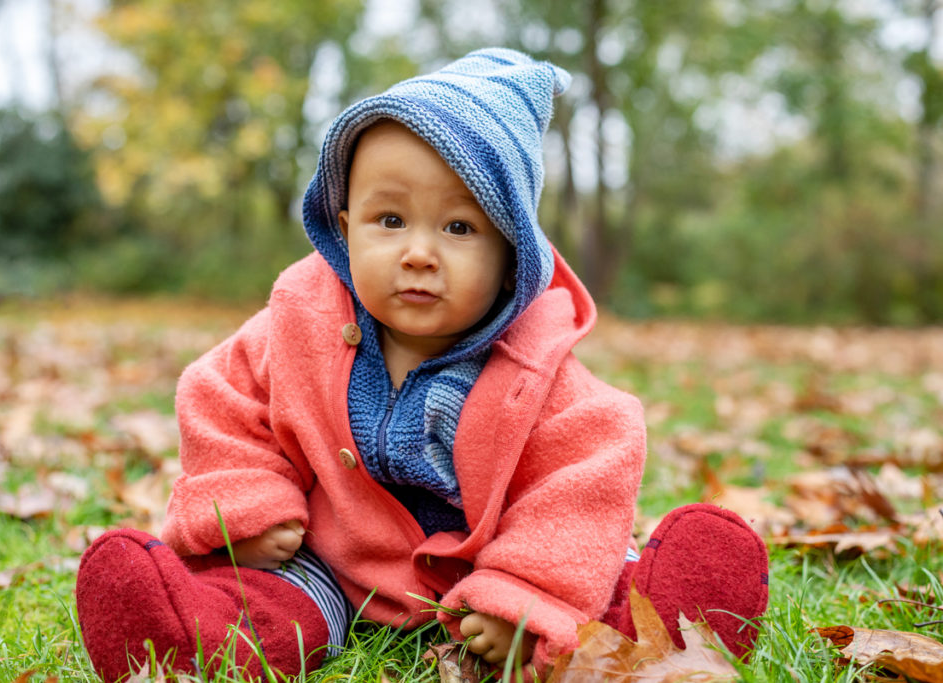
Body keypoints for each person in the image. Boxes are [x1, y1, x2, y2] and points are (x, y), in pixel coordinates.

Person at [76, 48, 769, 682]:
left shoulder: (538, 369)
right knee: (270, 598)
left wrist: (525, 595)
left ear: (512, 261)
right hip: (336, 561)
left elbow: (582, 474)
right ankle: (185, 636)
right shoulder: (298, 323)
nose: (418, 252)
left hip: (501, 560)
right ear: (343, 230)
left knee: (591, 588)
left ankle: (672, 620)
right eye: (389, 220)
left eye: (459, 228)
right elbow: (223, 394)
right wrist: (249, 505)